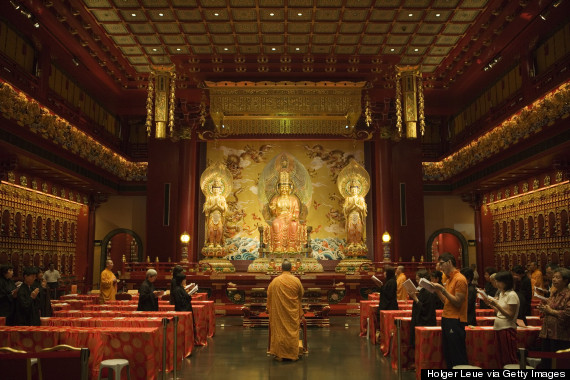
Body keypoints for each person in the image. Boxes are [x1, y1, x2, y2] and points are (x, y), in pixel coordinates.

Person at [432, 252, 469, 369]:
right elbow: (446, 301)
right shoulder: (448, 280)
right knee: (448, 353)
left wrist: (442, 290)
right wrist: (437, 290)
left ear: (449, 262)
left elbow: (458, 302)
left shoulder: (460, 279)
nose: (440, 267)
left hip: (456, 320)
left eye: (442, 264)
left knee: (457, 353)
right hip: (447, 318)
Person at [267, 260, 304, 361]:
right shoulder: (296, 280)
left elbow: (269, 295)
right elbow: (300, 294)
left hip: (278, 311)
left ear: (281, 268)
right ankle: (293, 354)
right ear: (292, 268)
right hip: (292, 311)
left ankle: (279, 354)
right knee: (292, 331)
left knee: (279, 330)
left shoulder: (275, 281)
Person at [485, 271, 520, 368]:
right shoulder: (501, 293)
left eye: (498, 282)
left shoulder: (512, 295)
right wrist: (491, 305)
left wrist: (496, 304)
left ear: (506, 282)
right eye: (496, 281)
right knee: (500, 356)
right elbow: (499, 312)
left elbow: (510, 315)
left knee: (509, 356)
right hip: (498, 327)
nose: (496, 284)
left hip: (507, 328)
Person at [537, 267, 570, 369]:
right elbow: (549, 308)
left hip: (560, 334)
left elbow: (568, 314)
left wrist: (550, 311)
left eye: (557, 277)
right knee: (546, 362)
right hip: (547, 333)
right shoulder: (554, 293)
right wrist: (543, 308)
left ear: (565, 280)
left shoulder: (568, 294)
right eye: (554, 277)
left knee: (558, 364)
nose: (554, 279)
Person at [269, 171, 301, 252]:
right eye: (282, 187)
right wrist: (273, 209)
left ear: (290, 188)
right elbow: (273, 214)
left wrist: (294, 216)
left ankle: (292, 246)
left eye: (286, 187)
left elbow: (296, 210)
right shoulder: (276, 199)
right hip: (279, 217)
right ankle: (278, 246)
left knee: (294, 224)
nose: (284, 189)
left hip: (290, 217)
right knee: (275, 223)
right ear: (278, 189)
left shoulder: (293, 200)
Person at [409, 270, 437, 347]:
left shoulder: (429, 291)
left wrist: (415, 298)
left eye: (418, 279)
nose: (416, 281)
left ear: (423, 279)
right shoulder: (423, 290)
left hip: (425, 322)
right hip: (418, 320)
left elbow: (426, 309)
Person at [203, 178, 228, 248]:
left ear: (220, 190)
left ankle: (217, 243)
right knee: (211, 230)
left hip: (219, 216)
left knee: (219, 230)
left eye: (217, 189)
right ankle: (211, 243)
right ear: (212, 189)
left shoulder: (222, 198)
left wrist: (219, 205)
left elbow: (224, 209)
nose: (216, 190)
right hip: (212, 216)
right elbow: (206, 208)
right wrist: (214, 205)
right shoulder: (209, 198)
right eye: (214, 189)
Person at [343, 179, 367, 248]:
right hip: (350, 216)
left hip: (358, 216)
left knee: (358, 230)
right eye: (352, 190)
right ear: (350, 190)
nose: (354, 191)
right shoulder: (348, 199)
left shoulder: (360, 199)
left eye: (355, 190)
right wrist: (351, 205)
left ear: (358, 190)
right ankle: (351, 243)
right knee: (351, 229)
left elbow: (363, 209)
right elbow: (345, 210)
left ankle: (359, 242)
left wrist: (356, 205)